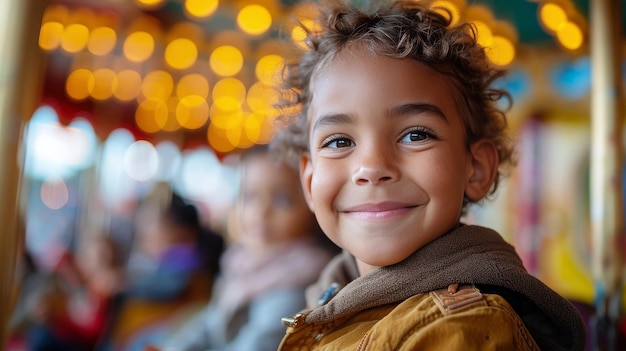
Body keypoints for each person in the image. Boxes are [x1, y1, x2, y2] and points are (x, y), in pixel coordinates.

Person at [270, 1, 587, 350]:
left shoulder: (460, 327)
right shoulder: (329, 293)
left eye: (415, 135)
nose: (372, 167)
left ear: (476, 168)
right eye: (340, 141)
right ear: (309, 179)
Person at [157, 145, 338, 351]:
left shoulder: (300, 281)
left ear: (312, 206)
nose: (261, 211)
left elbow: (258, 344)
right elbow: (210, 323)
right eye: (250, 196)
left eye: (282, 200)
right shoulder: (243, 263)